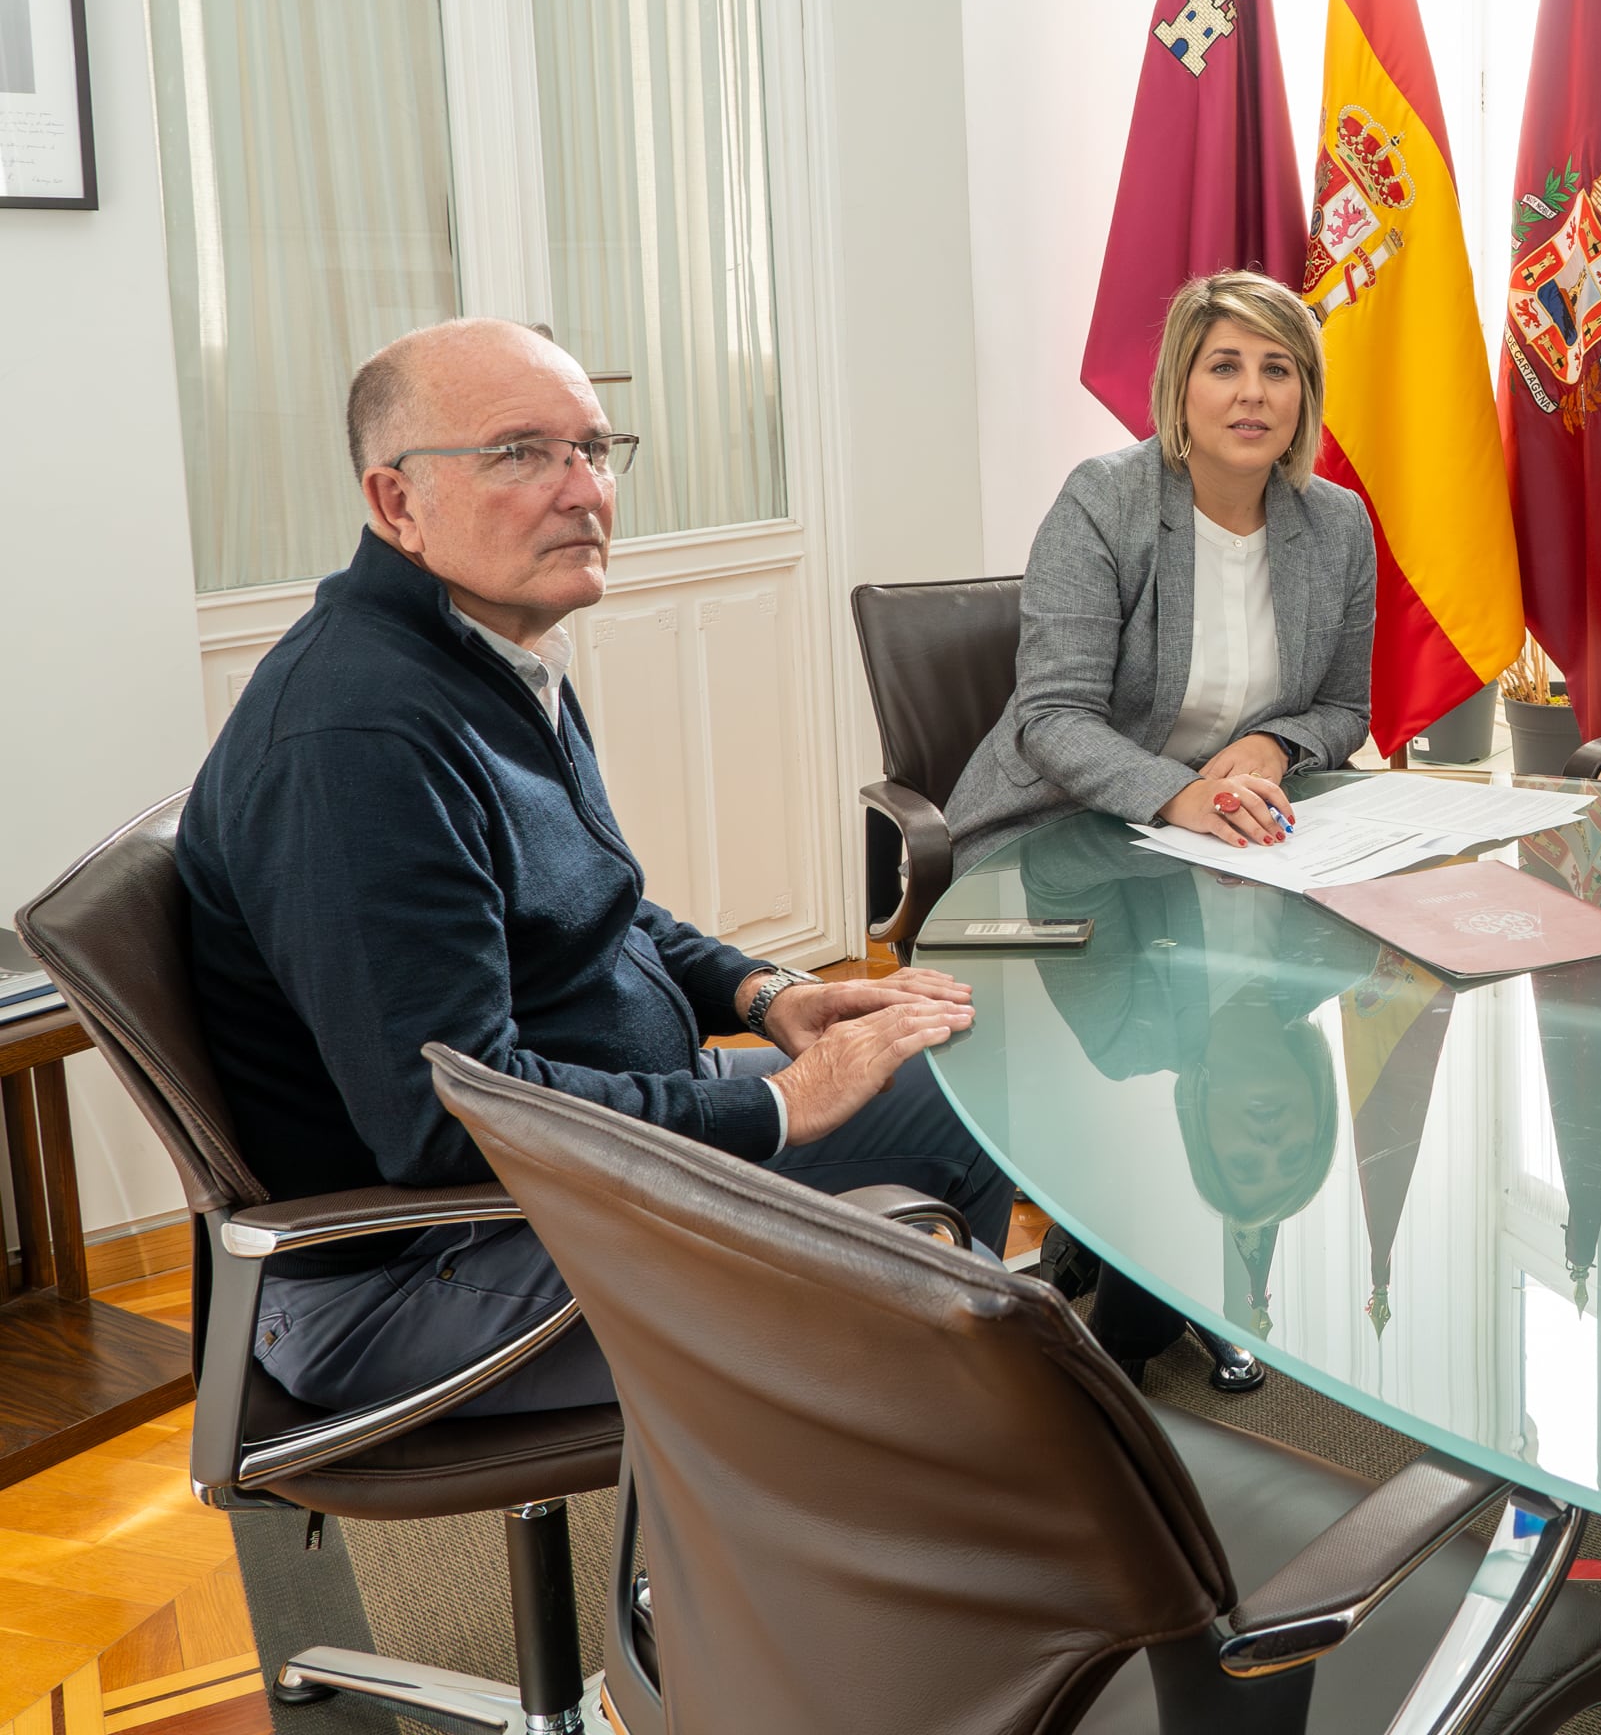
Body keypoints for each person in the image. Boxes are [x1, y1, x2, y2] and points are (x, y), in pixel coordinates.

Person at [178, 318, 1011, 1417]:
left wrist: (770, 995)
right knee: (933, 1316)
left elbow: (599, 908)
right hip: (429, 1262)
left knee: (973, 1084)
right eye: (520, 453)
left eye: (593, 448)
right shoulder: (357, 741)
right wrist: (781, 1112)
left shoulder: (492, 650)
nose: (583, 490)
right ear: (396, 503)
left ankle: (914, 1463)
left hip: (584, 1171)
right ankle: (854, 1509)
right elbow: (447, 1121)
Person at [943, 269, 1376, 864]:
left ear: (1304, 394)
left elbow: (1343, 709)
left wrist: (1278, 744)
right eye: (1225, 367)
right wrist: (1184, 793)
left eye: (1277, 369)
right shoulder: (1105, 500)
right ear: (1181, 386)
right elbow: (1054, 718)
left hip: (1240, 837)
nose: (1253, 392)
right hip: (1064, 824)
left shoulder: (1338, 521)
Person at [1017, 823, 1365, 1375]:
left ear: (1202, 1130)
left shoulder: (1122, 1033)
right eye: (1295, 1155)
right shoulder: (1344, 954)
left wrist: (1194, 844)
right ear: (1319, 1113)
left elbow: (1053, 865)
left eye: (1247, 1162)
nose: (1271, 1143)